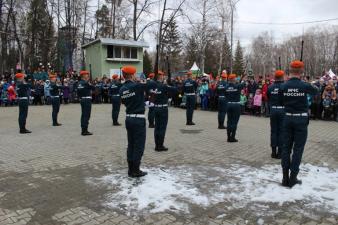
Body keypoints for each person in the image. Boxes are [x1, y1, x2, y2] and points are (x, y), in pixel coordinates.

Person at [279, 60, 318, 188]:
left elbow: (280, 101)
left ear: (290, 71)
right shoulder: (305, 85)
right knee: (298, 149)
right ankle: (293, 177)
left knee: (286, 148)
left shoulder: (283, 86)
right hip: (301, 120)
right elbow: (316, 91)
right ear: (301, 72)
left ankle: (285, 177)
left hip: (287, 118)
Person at [119, 65, 147, 178]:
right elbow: (150, 85)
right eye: (134, 74)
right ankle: (136, 170)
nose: (136, 76)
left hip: (129, 118)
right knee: (138, 145)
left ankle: (131, 169)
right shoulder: (137, 86)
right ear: (131, 75)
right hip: (138, 119)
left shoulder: (122, 89)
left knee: (131, 144)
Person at [153, 71, 177, 151]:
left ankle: (157, 145)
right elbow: (175, 90)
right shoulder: (164, 86)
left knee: (157, 127)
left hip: (155, 108)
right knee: (162, 128)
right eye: (163, 76)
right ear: (161, 77)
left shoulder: (153, 85)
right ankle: (160, 145)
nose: (163, 77)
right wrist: (171, 83)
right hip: (163, 109)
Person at [267, 70, 285, 159]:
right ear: (282, 77)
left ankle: (273, 152)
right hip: (282, 110)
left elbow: (268, 97)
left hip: (273, 110)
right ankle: (280, 152)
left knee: (273, 131)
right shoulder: (285, 86)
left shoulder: (270, 87)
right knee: (281, 131)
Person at [225, 74, 245, 142]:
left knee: (229, 121)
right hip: (236, 105)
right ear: (233, 79)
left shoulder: (226, 87)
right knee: (234, 122)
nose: (236, 78)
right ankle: (232, 137)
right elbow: (244, 84)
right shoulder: (238, 86)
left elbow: (225, 95)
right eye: (235, 78)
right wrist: (243, 78)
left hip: (228, 104)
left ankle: (228, 137)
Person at [77, 70, 95, 135]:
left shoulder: (79, 83)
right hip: (87, 100)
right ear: (84, 76)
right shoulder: (86, 83)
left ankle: (83, 129)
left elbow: (78, 92)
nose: (88, 76)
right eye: (87, 75)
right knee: (86, 115)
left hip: (82, 99)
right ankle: (84, 131)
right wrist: (90, 83)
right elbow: (93, 88)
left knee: (83, 115)